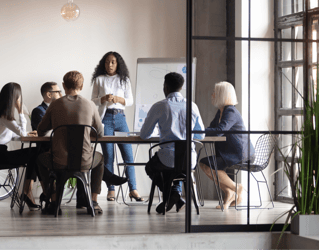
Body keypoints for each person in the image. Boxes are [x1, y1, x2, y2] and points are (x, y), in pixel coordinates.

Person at [37, 71, 107, 214]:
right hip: (84, 161)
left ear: (63, 85)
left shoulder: (55, 105)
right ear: (81, 86)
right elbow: (100, 133)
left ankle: (54, 201)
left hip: (59, 161)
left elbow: (41, 130)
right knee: (100, 159)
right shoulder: (90, 105)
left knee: (39, 160)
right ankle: (93, 202)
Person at [140, 72, 204, 214]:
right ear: (181, 88)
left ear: (165, 87)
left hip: (167, 159)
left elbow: (144, 135)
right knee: (176, 168)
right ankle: (177, 196)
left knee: (151, 168)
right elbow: (201, 134)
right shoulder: (192, 106)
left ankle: (173, 194)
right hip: (189, 160)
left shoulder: (159, 106)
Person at [91, 51, 143, 202]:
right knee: (108, 156)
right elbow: (92, 100)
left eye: (113, 62)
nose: (110, 65)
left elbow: (131, 101)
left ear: (118, 63)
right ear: (103, 64)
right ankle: (111, 190)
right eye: (107, 62)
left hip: (121, 118)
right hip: (105, 118)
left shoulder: (124, 80)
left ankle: (133, 189)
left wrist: (119, 99)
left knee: (128, 155)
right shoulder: (99, 80)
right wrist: (103, 98)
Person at [199, 81, 255, 210]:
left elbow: (219, 131)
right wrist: (200, 130)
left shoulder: (230, 111)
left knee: (207, 164)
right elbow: (212, 128)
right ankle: (229, 192)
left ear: (221, 94)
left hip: (240, 153)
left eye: (215, 92)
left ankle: (237, 188)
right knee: (204, 163)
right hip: (231, 152)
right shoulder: (221, 111)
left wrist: (198, 131)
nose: (212, 94)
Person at [0, 82, 40, 211]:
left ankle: (27, 192)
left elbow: (12, 136)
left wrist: (27, 135)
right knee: (36, 153)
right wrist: (21, 112)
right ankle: (27, 192)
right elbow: (22, 133)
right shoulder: (5, 116)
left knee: (34, 153)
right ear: (15, 97)